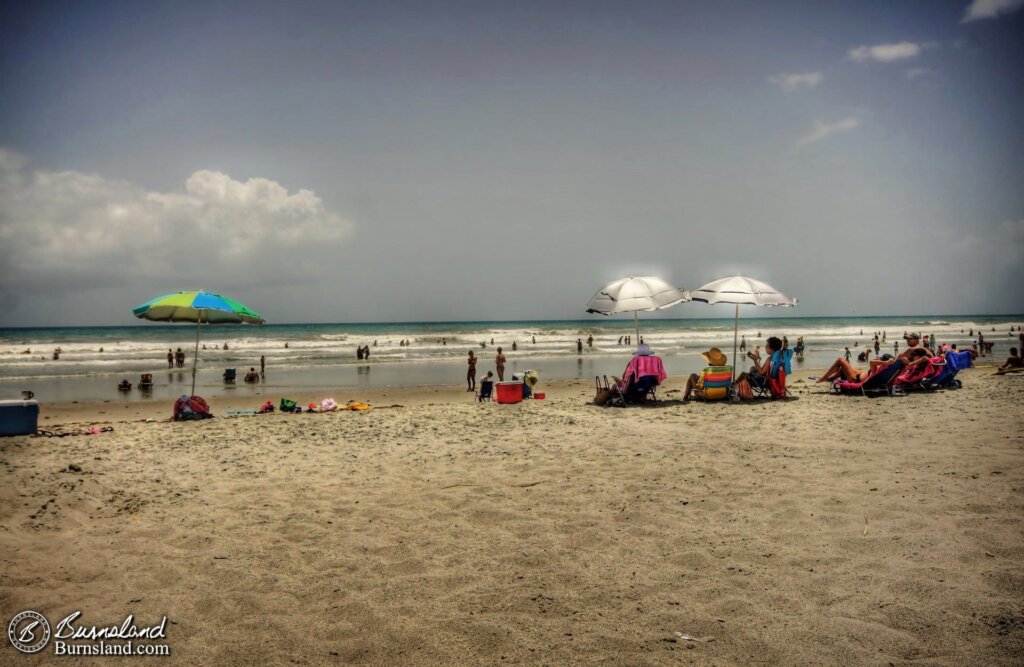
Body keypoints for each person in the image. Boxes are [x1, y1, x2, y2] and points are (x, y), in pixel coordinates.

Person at [816, 353, 896, 384]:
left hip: (856, 379)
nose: (878, 359)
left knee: (840, 360)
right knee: (843, 368)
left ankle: (824, 378)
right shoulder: (884, 368)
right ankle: (829, 378)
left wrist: (885, 362)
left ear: (884, 361)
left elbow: (871, 362)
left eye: (881, 359)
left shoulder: (881, 366)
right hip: (860, 376)